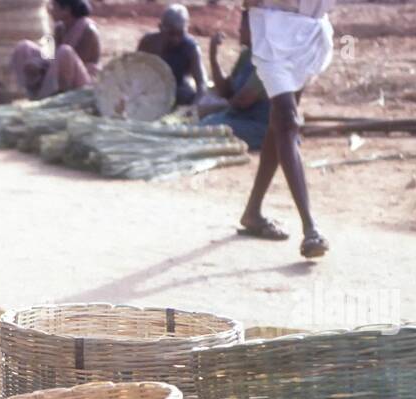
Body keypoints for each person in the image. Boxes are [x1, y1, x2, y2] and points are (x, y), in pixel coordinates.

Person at [236, 0, 335, 259]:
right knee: (288, 122)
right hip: (272, 29)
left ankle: (252, 212)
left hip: (309, 32)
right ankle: (310, 228)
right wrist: (245, 17)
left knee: (280, 124)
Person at [199, 10, 270, 151]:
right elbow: (226, 91)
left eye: (243, 26)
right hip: (240, 118)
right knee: (207, 122)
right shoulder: (246, 55)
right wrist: (213, 56)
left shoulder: (266, 58)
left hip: (258, 125)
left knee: (206, 127)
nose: (239, 30)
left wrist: (217, 107)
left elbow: (243, 100)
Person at [11, 0, 103, 100]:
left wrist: (44, 66)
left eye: (54, 6)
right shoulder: (60, 28)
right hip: (58, 73)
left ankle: (45, 99)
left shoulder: (88, 30)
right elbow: (52, 57)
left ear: (66, 10)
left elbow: (70, 64)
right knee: (24, 48)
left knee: (64, 52)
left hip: (83, 82)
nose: (50, 10)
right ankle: (32, 94)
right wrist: (38, 64)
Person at [138, 4, 207, 106]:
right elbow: (134, 72)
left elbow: (201, 84)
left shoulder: (191, 48)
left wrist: (193, 108)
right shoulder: (148, 42)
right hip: (149, 92)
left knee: (185, 94)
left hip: (177, 92)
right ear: (161, 27)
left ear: (186, 29)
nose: (176, 39)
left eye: (180, 33)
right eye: (171, 33)